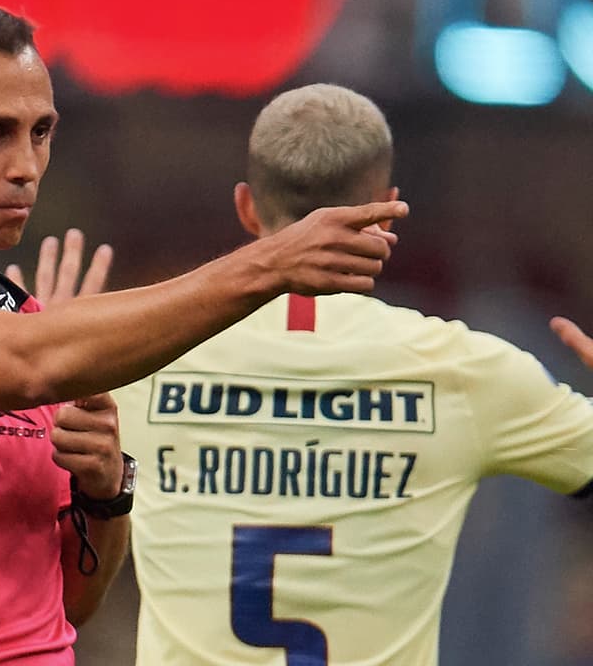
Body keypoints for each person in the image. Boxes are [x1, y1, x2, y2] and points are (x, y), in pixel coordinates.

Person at [0, 3, 407, 666]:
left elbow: (72, 600)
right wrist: (267, 264)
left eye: (41, 132)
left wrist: (104, 492)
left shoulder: (27, 324)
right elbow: (30, 364)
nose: (26, 166)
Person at [114, 83, 593, 666]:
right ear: (386, 211)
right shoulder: (464, 370)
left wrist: (68, 342)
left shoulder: (136, 362)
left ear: (246, 206)